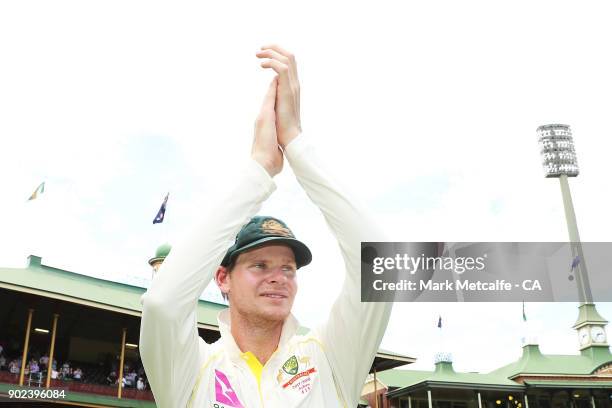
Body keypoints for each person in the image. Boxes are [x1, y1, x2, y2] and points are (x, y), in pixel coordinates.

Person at [140, 45, 392, 407]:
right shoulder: (194, 369)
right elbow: (162, 304)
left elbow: (380, 262)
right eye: (260, 265)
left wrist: (296, 145)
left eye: (288, 268)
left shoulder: (329, 358)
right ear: (222, 277)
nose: (279, 277)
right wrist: (259, 170)